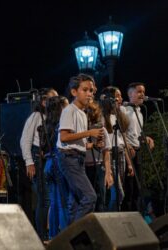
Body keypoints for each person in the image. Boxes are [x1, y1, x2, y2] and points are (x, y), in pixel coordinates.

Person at [57, 73, 112, 224]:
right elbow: (64, 137)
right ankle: (75, 234)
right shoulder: (70, 110)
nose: (90, 94)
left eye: (92, 91)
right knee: (90, 197)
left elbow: (77, 141)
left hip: (77, 158)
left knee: (75, 203)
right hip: (69, 158)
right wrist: (89, 132)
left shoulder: (82, 113)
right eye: (85, 90)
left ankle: (71, 240)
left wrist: (92, 145)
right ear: (74, 92)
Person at [20, 87, 57, 240]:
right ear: (43, 101)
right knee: (44, 198)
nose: (56, 100)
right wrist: (29, 162)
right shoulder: (36, 116)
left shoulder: (53, 117)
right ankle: (41, 236)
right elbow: (25, 140)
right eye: (52, 98)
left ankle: (48, 233)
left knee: (49, 199)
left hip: (48, 158)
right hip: (37, 159)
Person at [100, 86, 134, 211]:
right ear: (109, 98)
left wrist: (129, 163)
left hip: (120, 154)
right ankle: (110, 220)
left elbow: (123, 142)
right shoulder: (103, 117)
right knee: (118, 194)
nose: (120, 98)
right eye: (117, 96)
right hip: (110, 154)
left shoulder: (118, 115)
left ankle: (116, 217)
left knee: (120, 194)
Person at [40, 95, 69, 239]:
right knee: (63, 204)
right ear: (60, 108)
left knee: (54, 203)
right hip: (58, 163)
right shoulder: (61, 126)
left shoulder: (45, 124)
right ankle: (65, 237)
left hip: (48, 164)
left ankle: (53, 238)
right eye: (66, 106)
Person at [123, 82, 154, 211]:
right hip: (129, 152)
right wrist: (127, 145)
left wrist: (145, 138)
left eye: (143, 91)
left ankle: (136, 216)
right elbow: (121, 133)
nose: (143, 94)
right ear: (130, 94)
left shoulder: (140, 112)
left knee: (138, 187)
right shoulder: (124, 110)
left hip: (138, 151)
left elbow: (137, 134)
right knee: (128, 188)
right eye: (139, 91)